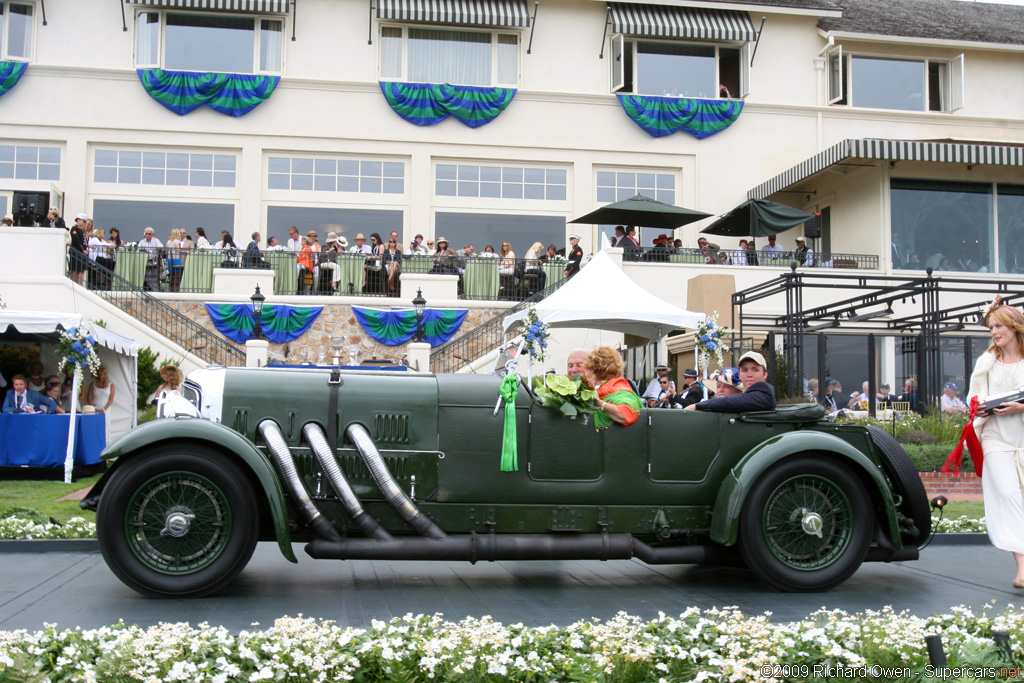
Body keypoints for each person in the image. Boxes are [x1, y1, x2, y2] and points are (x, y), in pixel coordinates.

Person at [968, 299, 1024, 588]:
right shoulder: (986, 362)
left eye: (999, 326)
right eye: (991, 327)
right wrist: (978, 407)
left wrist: (1020, 407)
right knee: (1008, 494)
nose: (994, 332)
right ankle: (1022, 569)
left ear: (1014, 327)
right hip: (995, 437)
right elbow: (972, 399)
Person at [687, 351, 776, 412]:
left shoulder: (764, 394)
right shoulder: (742, 399)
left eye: (755, 370)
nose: (749, 374)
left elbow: (734, 401)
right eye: (744, 370)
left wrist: (697, 406)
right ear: (740, 375)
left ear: (765, 374)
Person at [582, 347, 642, 428]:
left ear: (593, 369)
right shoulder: (599, 386)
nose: (584, 374)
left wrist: (599, 403)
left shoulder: (617, 386)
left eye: (586, 369)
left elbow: (627, 414)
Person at [138, 227, 163, 291]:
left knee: (154, 277)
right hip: (144, 261)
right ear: (144, 234)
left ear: (152, 235)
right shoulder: (142, 242)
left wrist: (156, 249)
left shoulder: (156, 240)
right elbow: (138, 249)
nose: (148, 235)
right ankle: (153, 290)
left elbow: (160, 247)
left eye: (149, 234)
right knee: (146, 277)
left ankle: (155, 290)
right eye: (146, 234)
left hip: (154, 261)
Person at [68, 213, 90, 286]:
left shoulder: (80, 230)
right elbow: (77, 240)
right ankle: (74, 284)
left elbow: (82, 241)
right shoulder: (74, 229)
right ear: (79, 220)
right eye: (84, 221)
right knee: (75, 269)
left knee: (81, 269)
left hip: (81, 252)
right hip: (76, 251)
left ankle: (80, 285)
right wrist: (83, 249)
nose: (85, 223)